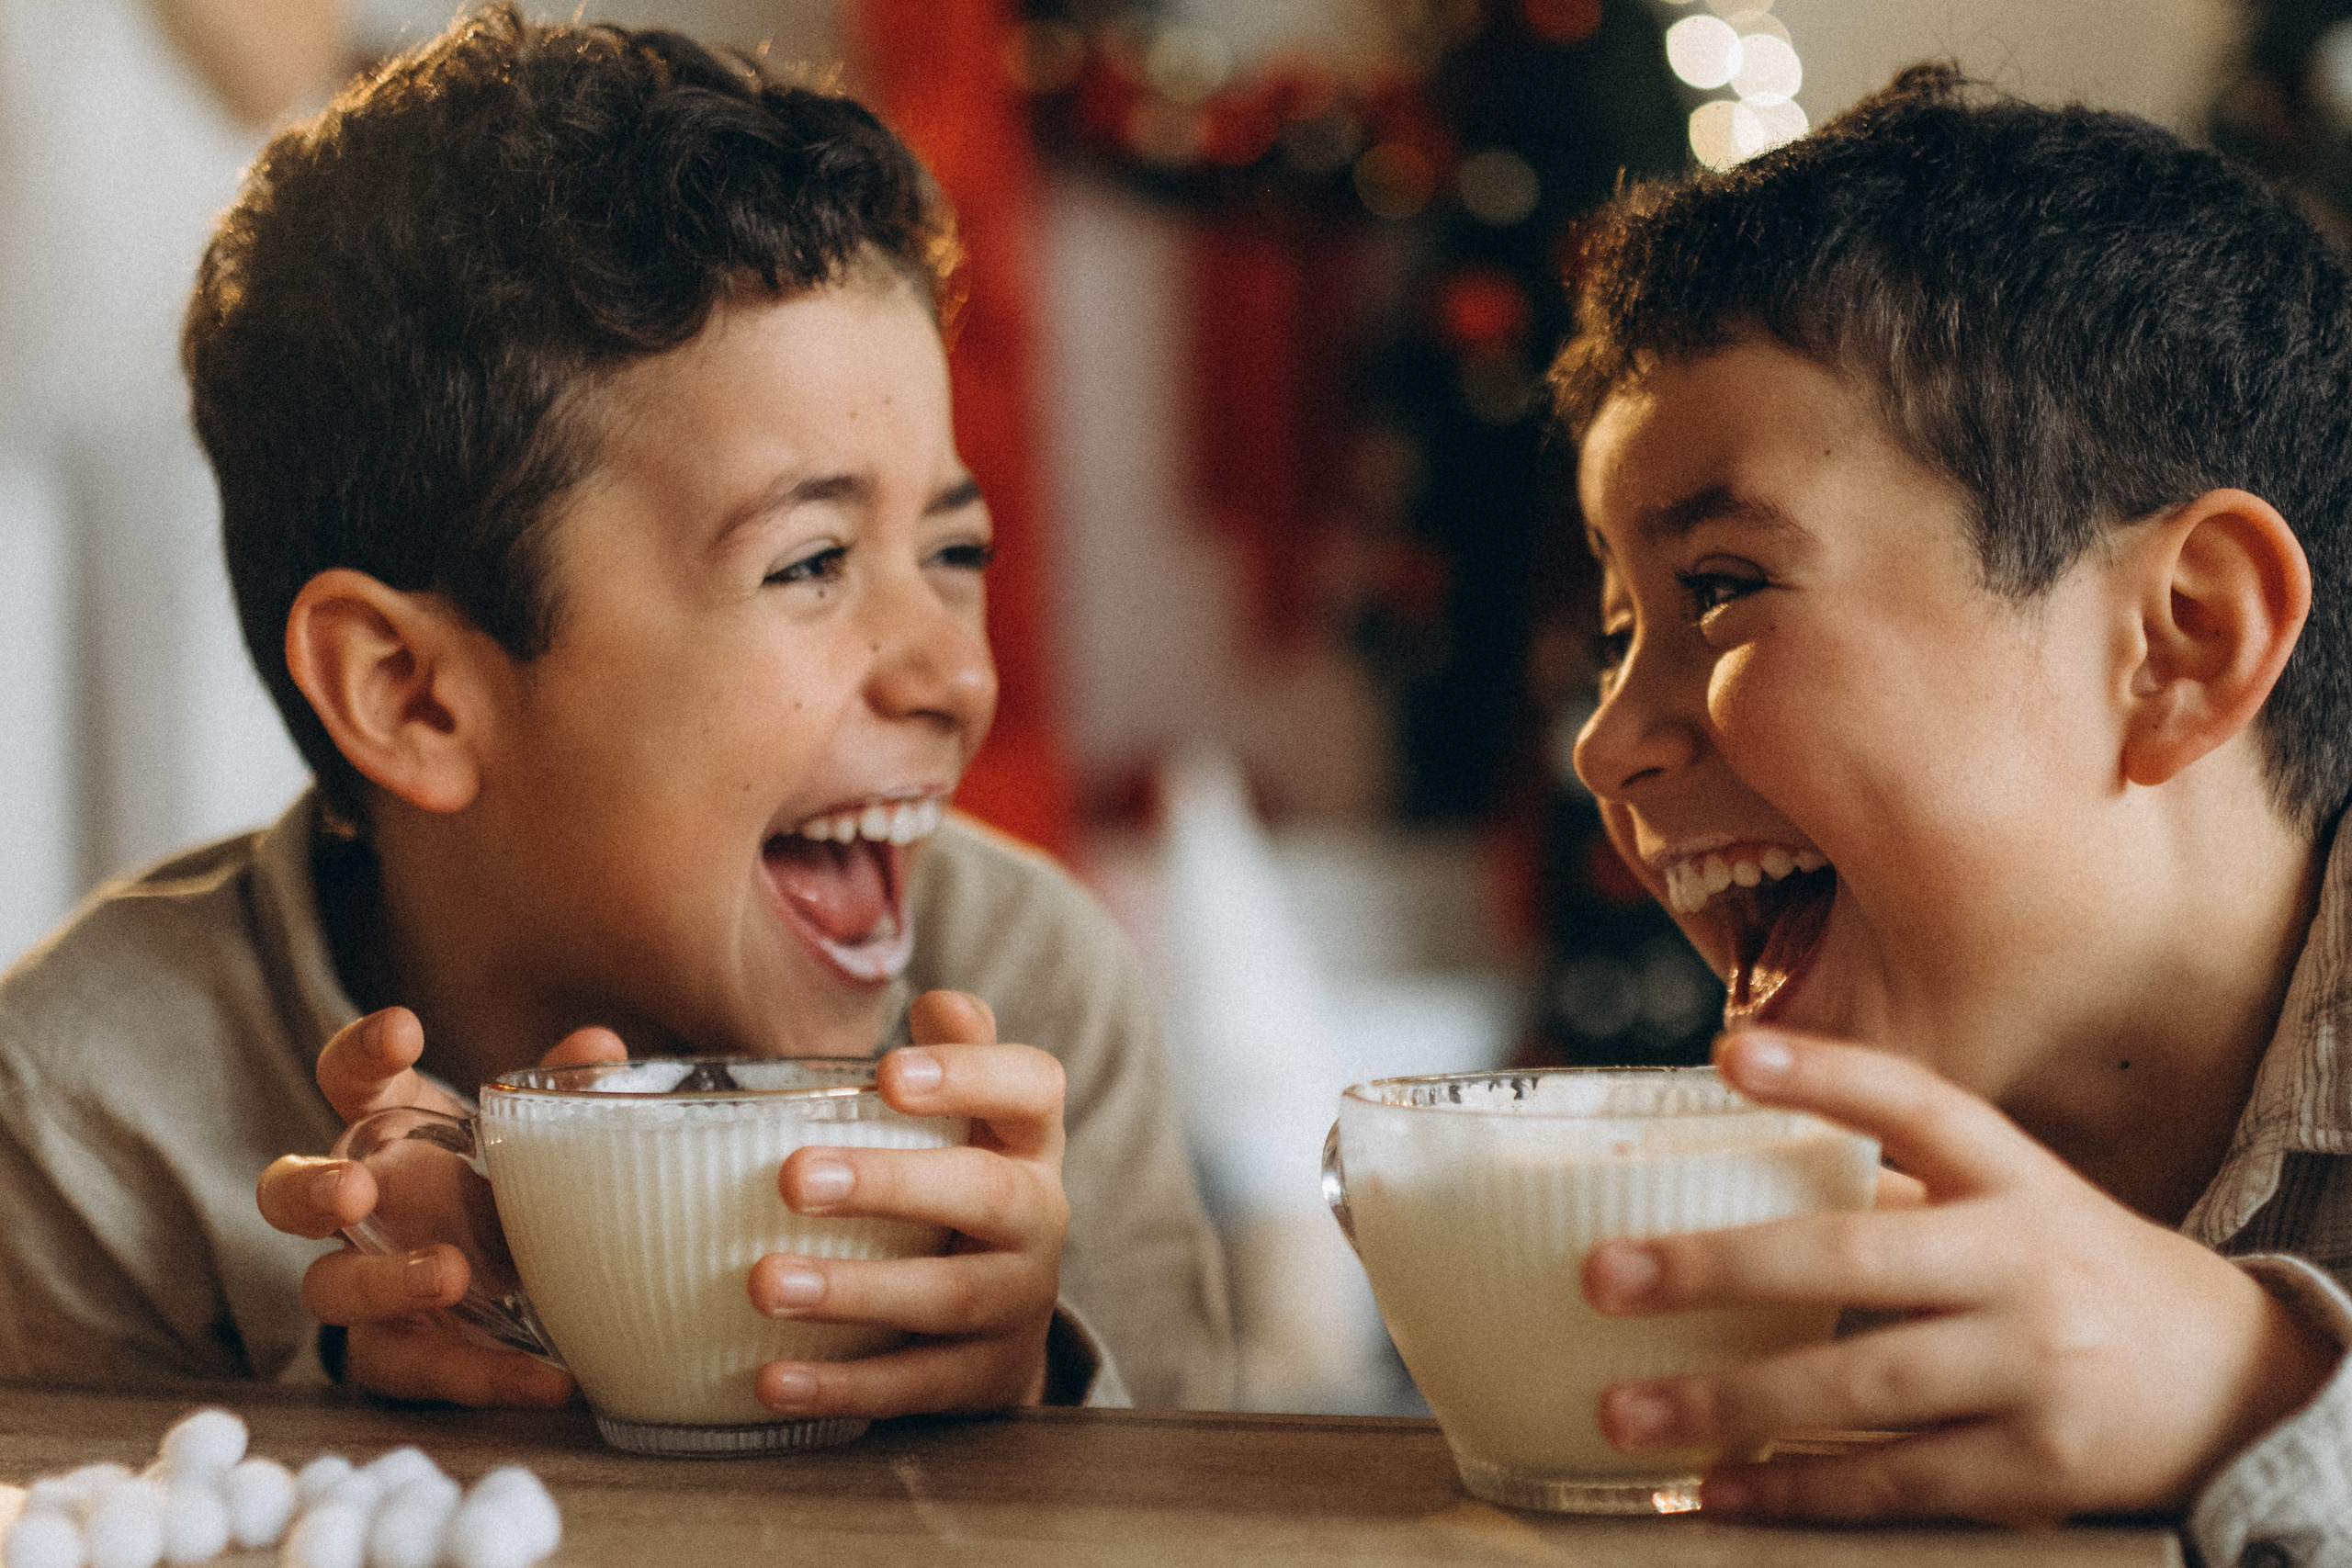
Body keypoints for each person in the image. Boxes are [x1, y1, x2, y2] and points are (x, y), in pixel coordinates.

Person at [0, 5, 1233, 1417]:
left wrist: (1035, 1400)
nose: (957, 675)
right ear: (411, 693)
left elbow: (1187, 1480)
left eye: (953, 553)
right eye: (812, 563)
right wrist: (344, 1408)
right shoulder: (82, 1117)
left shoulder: (1031, 989)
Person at [1555, 62, 2352, 1565]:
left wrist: (2259, 1390)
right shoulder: (1834, 1231)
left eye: (1721, 591)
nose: (1606, 746)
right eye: (1616, 633)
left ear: (2180, 639)